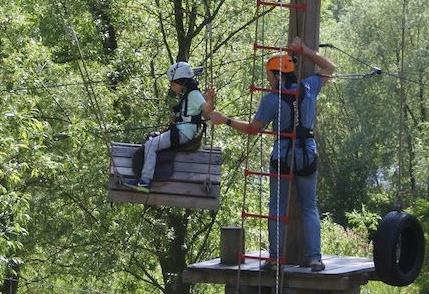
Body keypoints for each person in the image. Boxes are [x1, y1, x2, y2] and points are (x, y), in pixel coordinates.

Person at [209, 36, 335, 272]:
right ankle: (315, 259)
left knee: (277, 207)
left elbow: (253, 129)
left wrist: (225, 120)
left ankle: (276, 259)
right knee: (309, 206)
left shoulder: (270, 99)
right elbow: (329, 67)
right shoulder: (309, 87)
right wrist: (305, 49)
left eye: (269, 74)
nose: (266, 79)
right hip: (307, 152)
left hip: (283, 155)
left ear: (278, 75)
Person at [124, 61, 215, 193]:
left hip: (183, 134)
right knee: (153, 138)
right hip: (181, 131)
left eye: (173, 84)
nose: (171, 87)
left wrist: (210, 98)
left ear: (182, 82)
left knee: (151, 145)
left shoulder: (194, 95)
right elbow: (194, 108)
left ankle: (144, 181)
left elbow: (208, 113)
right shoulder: (190, 94)